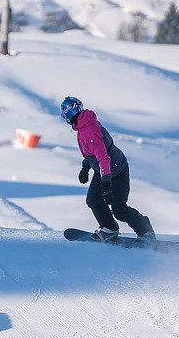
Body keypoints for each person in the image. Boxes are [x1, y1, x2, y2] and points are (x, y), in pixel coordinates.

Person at [60, 96, 155, 245]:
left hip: (116, 171)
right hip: (104, 170)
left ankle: (146, 232)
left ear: (68, 114)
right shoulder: (84, 125)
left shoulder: (88, 130)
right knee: (93, 200)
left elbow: (103, 157)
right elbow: (92, 154)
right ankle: (109, 229)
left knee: (119, 209)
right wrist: (86, 167)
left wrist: (106, 183)